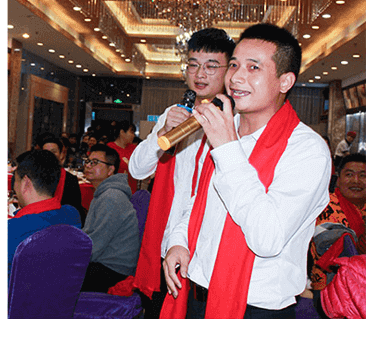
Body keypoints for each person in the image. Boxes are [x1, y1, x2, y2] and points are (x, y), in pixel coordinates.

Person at [162, 23, 332, 319]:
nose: (236, 78)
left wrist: (227, 149)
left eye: (254, 68)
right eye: (234, 65)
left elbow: (267, 238)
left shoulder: (307, 150)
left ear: (285, 81)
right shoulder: (224, 130)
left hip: (255, 309)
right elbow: (200, 202)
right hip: (196, 293)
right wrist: (179, 241)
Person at [128, 27, 234, 315]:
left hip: (208, 246)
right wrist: (163, 133)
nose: (200, 74)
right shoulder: (174, 113)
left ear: (229, 71)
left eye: (211, 66)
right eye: (193, 65)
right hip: (167, 236)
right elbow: (137, 170)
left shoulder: (235, 121)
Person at [79, 144, 139, 292]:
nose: (88, 166)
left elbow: (96, 244)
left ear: (110, 170)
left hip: (114, 269)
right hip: (104, 261)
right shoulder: (104, 193)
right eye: (87, 161)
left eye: (95, 162)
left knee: (59, 277)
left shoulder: (111, 197)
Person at [9, 150, 81, 265]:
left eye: (15, 180)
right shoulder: (72, 215)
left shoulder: (13, 230)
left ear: (25, 183)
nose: (14, 186)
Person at [310, 152, 366, 291]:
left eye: (363, 176)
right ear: (338, 179)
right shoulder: (323, 205)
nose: (356, 181)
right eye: (349, 174)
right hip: (326, 288)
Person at [33, 133, 85, 224]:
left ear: (61, 155)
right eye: (45, 152)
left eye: (53, 152)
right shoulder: (33, 176)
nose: (49, 155)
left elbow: (75, 211)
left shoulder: (70, 180)